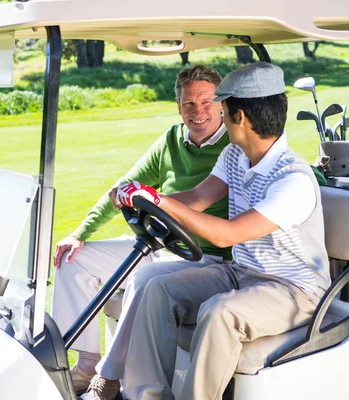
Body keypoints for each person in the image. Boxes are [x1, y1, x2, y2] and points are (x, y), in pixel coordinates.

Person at [118, 62, 331, 400]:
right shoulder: (236, 154)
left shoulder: (293, 179)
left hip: (294, 291)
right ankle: (145, 396)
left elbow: (227, 235)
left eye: (222, 106)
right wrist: (145, 200)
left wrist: (158, 199)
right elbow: (198, 198)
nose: (215, 112)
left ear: (239, 117)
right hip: (241, 272)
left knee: (220, 313)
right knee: (158, 288)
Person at [51, 64, 233, 398]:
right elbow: (124, 187)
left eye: (206, 102)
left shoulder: (234, 147)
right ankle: (86, 365)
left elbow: (200, 200)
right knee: (73, 259)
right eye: (189, 104)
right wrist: (80, 233)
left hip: (205, 258)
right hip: (161, 246)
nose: (198, 112)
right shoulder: (171, 140)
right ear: (178, 107)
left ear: (221, 103)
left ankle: (109, 379)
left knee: (140, 280)